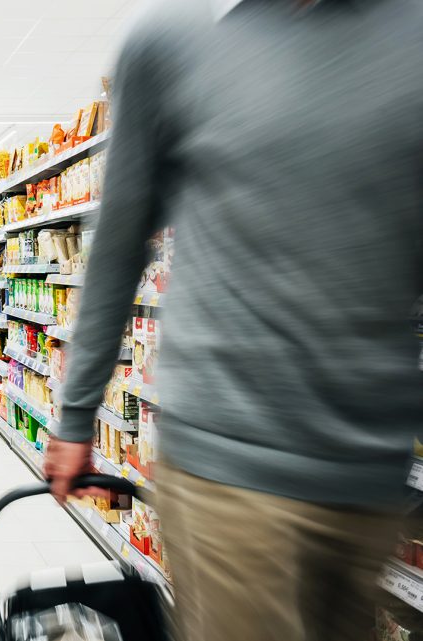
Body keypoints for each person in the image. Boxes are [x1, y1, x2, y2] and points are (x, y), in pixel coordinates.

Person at [44, 2, 423, 641]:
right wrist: (79, 413)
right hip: (229, 477)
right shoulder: (174, 45)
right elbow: (117, 245)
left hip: (369, 485)